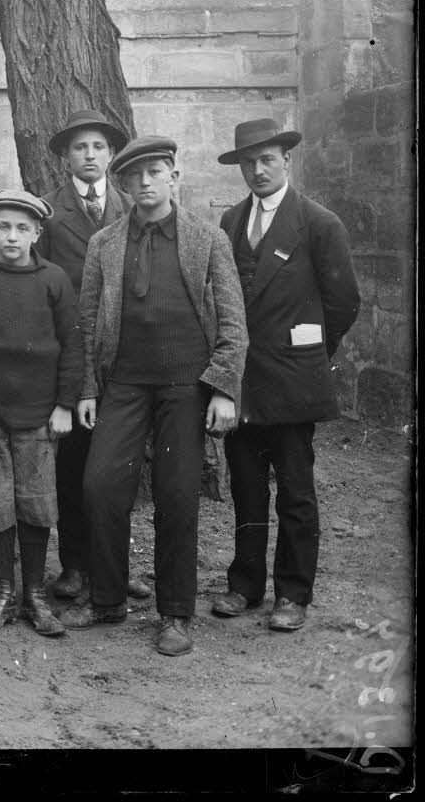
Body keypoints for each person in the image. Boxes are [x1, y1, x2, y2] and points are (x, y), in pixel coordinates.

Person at [64, 136, 247, 657]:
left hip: (186, 386)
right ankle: (107, 599)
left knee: (177, 494)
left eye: (155, 172)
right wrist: (88, 389)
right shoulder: (105, 243)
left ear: (173, 177)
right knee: (100, 486)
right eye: (134, 176)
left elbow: (233, 321)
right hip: (122, 383)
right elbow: (87, 322)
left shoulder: (206, 239)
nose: (144, 182)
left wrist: (223, 389)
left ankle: (174, 613)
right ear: (123, 185)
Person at [212, 119, 360, 632]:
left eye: (267, 159)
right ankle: (245, 585)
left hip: (295, 382)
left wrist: (309, 355)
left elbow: (343, 303)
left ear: (287, 161)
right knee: (247, 488)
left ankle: (293, 594)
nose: (258, 170)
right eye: (248, 163)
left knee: (296, 491)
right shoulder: (230, 223)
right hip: (243, 384)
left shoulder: (319, 223)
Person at [0, 189, 83, 637]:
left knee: (37, 503)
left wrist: (65, 404)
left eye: (22, 228)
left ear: (37, 233)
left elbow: (72, 345)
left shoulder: (55, 280)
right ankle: (2, 591)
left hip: (40, 415)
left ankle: (34, 594)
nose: (12, 236)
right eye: (3, 226)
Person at [34, 109, 152, 604]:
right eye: (80, 148)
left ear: (110, 156)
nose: (89, 156)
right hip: (70, 354)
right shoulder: (47, 210)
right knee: (73, 466)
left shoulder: (134, 207)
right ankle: (76, 565)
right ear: (66, 157)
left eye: (98, 148)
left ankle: (114, 566)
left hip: (122, 355)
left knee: (117, 469)